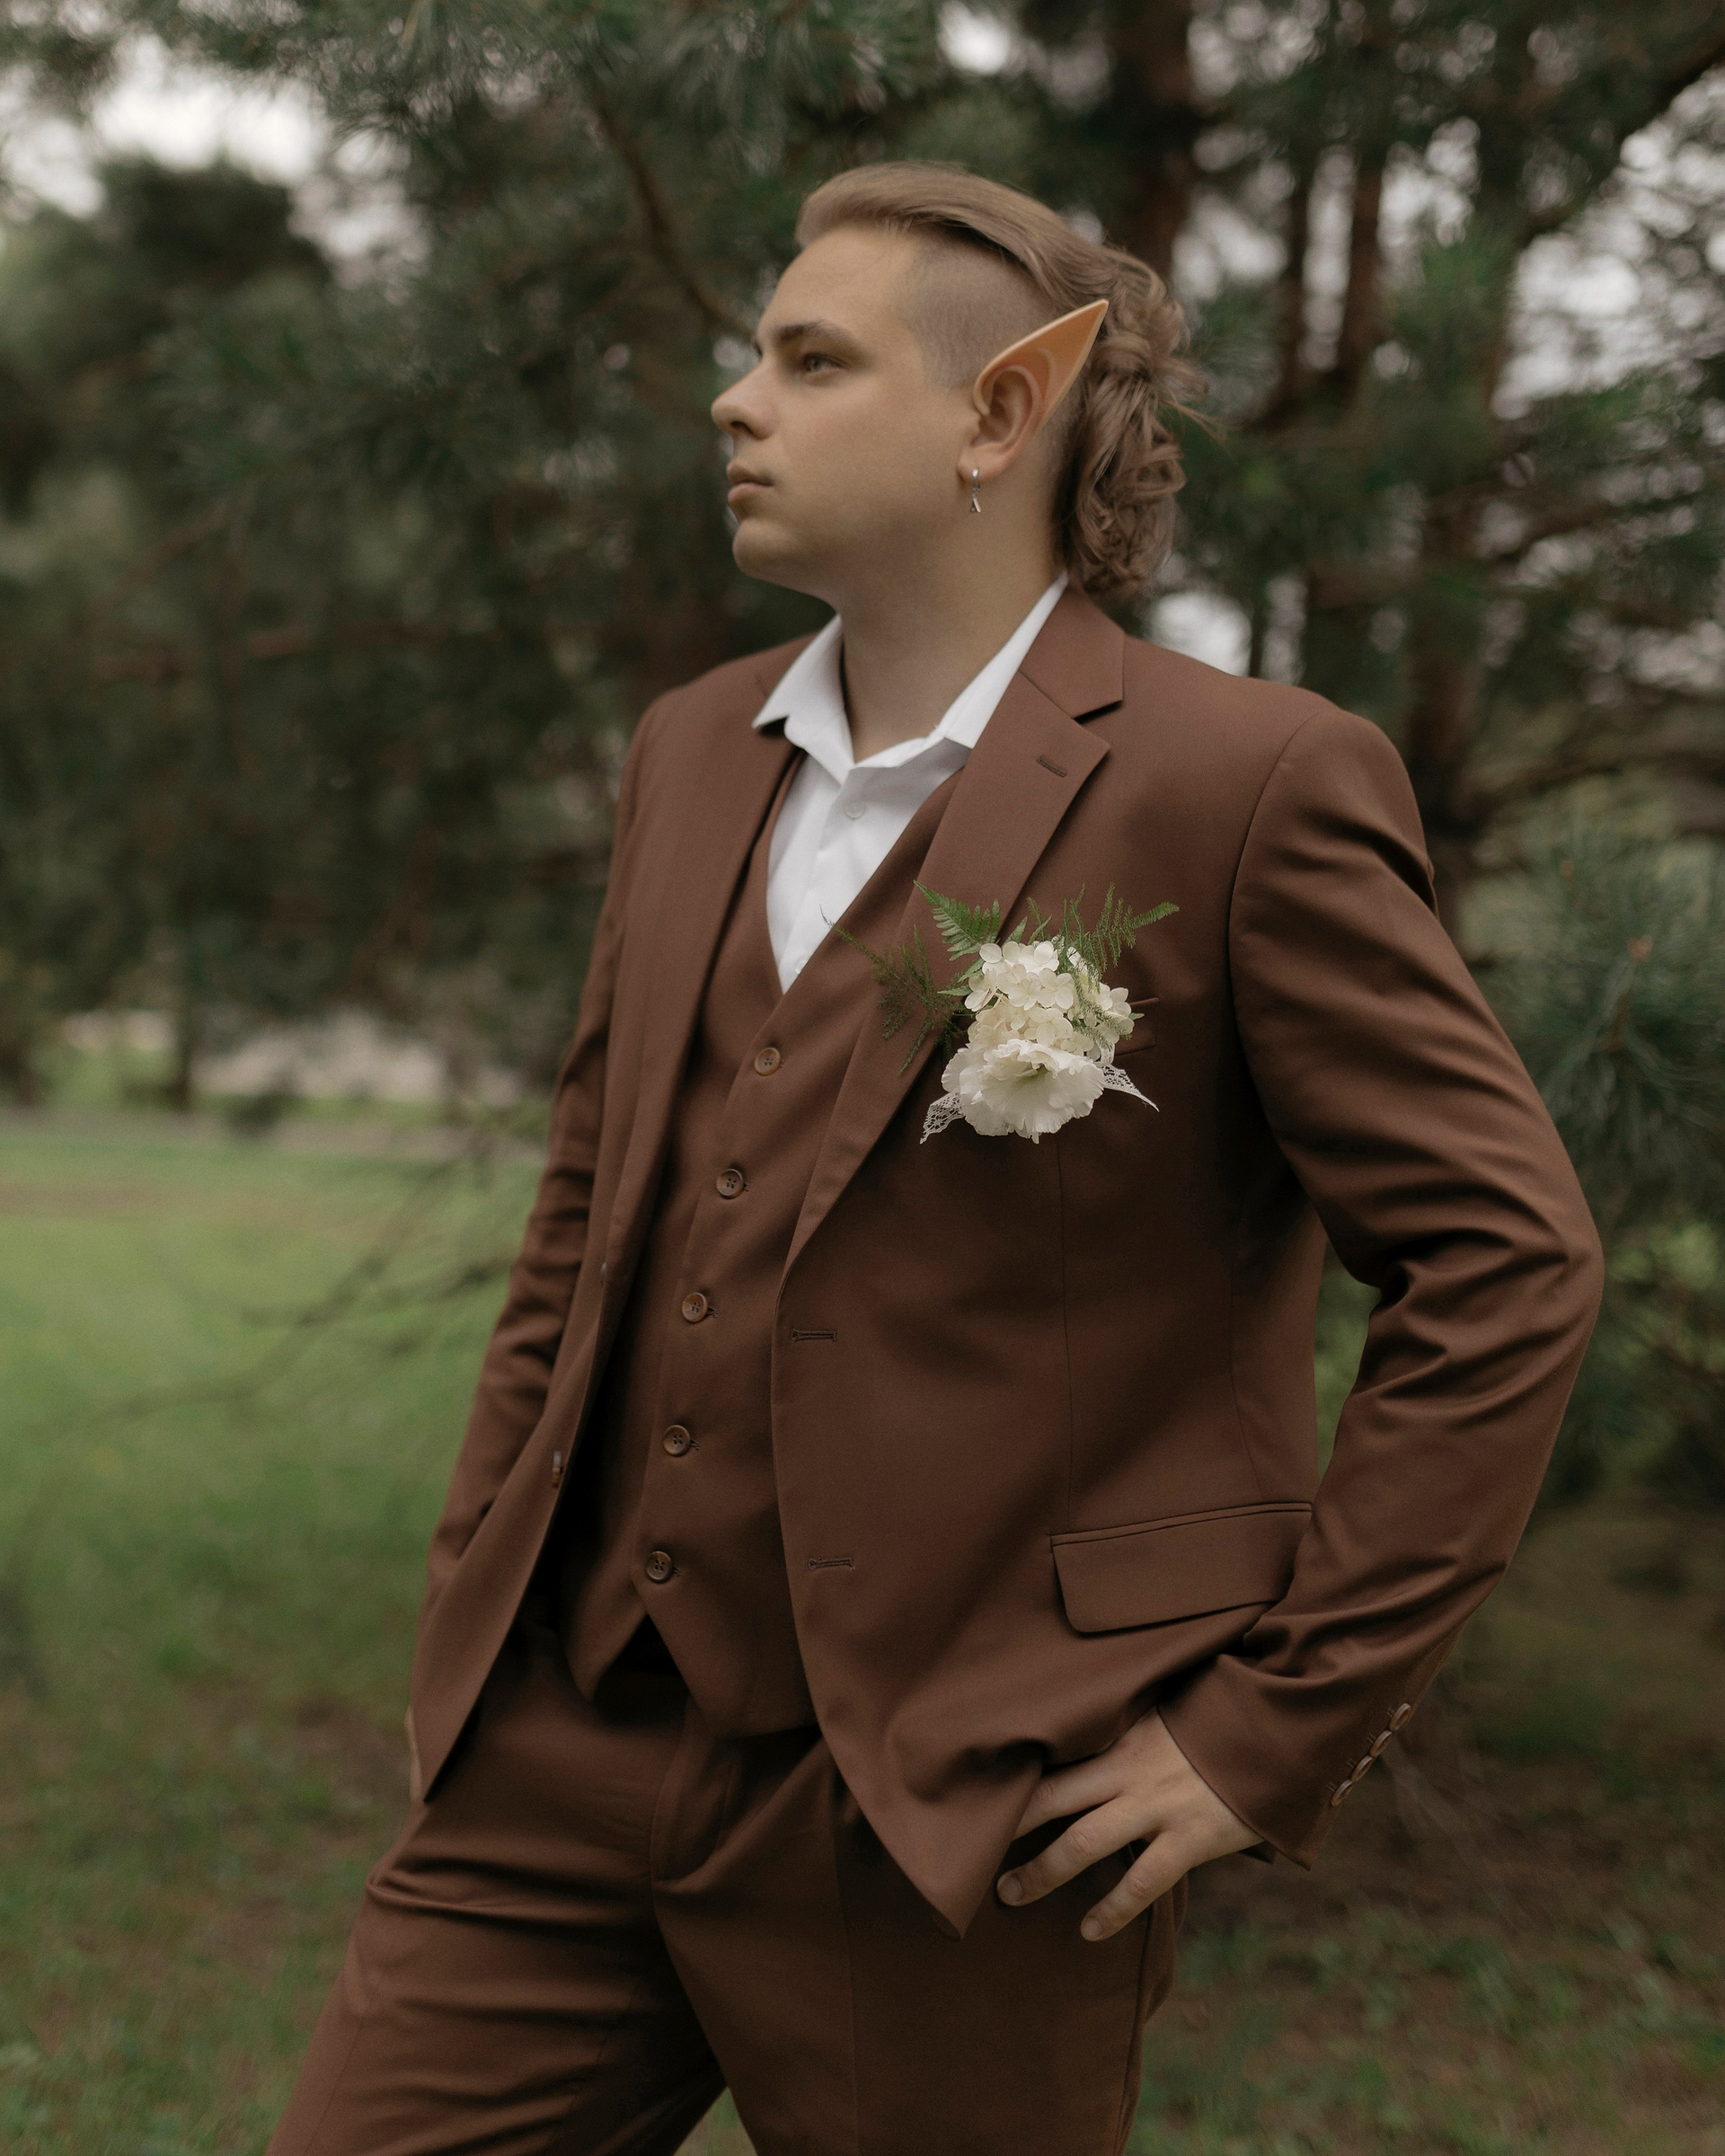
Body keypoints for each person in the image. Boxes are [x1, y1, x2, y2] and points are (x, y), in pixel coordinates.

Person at [267, 163, 1603, 2156]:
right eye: (754, 356)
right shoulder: (690, 748)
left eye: (812, 361)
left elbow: (1507, 1262)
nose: (736, 400)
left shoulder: (1246, 783)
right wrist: (476, 1600)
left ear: (1003, 415)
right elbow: (588, 1217)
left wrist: (1268, 1733)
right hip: (558, 1747)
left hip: (966, 1809)